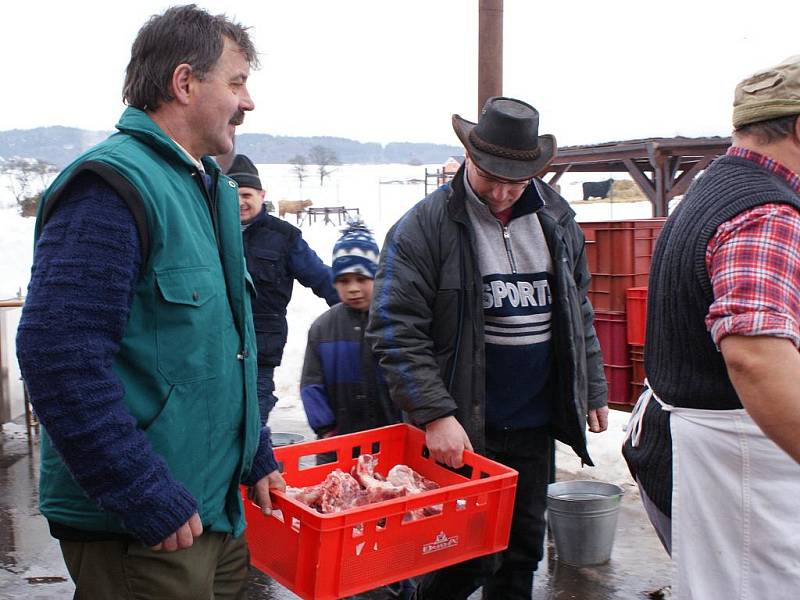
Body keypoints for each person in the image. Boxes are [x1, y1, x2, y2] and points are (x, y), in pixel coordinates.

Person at [15, 6, 285, 599]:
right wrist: (138, 488)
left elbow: (217, 348)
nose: (249, 102)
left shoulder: (208, 188)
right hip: (145, 531)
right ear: (184, 83)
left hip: (213, 508)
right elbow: (58, 355)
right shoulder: (112, 187)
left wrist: (253, 451)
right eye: (236, 82)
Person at [366, 96, 609, 600]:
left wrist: (592, 385)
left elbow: (577, 308)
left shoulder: (556, 220)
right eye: (488, 176)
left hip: (532, 424)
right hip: (464, 429)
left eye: (514, 182)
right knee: (458, 558)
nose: (499, 193)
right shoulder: (423, 227)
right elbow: (394, 327)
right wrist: (435, 414)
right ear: (469, 158)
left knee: (520, 555)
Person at [622, 55, 800, 599]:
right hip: (737, 464)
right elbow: (755, 355)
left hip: (700, 448)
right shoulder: (767, 212)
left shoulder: (710, 187)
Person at [300, 221, 413, 600]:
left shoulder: (394, 322)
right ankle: (347, 579)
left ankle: (401, 578)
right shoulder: (323, 328)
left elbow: (410, 375)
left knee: (394, 517)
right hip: (340, 445)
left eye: (362, 279)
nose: (352, 288)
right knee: (344, 519)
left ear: (378, 277)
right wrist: (326, 428)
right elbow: (311, 383)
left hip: (390, 443)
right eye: (342, 279)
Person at [228, 154, 339, 424]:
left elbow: (320, 277)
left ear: (261, 194)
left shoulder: (284, 236)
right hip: (217, 344)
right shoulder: (209, 231)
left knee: (253, 417)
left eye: (247, 194)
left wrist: (353, 305)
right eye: (233, 194)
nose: (241, 202)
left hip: (262, 345)